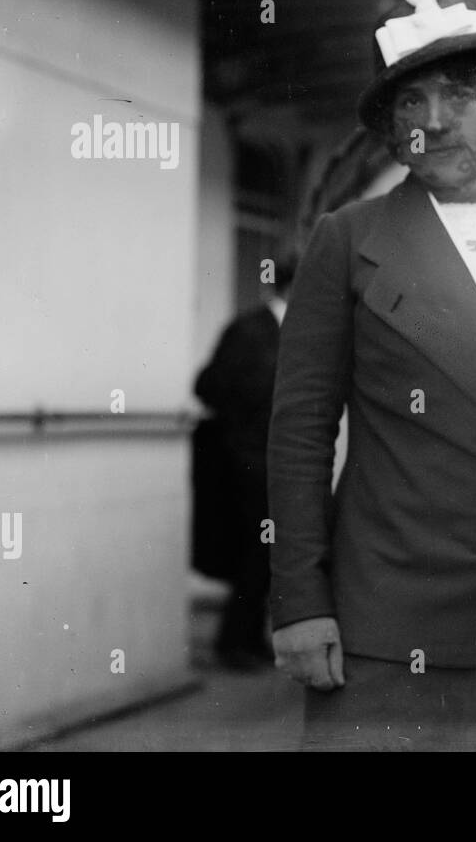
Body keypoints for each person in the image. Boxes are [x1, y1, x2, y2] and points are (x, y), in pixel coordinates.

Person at [266, 0, 476, 751]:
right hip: (391, 631)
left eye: (460, 92)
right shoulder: (349, 240)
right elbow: (299, 433)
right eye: (412, 100)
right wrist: (299, 600)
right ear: (392, 132)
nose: (438, 118)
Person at [193, 256, 295, 669]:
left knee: (267, 554)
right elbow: (208, 386)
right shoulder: (250, 329)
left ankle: (250, 638)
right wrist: (245, 433)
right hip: (247, 462)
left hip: (274, 460)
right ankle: (233, 643)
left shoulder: (292, 332)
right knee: (251, 552)